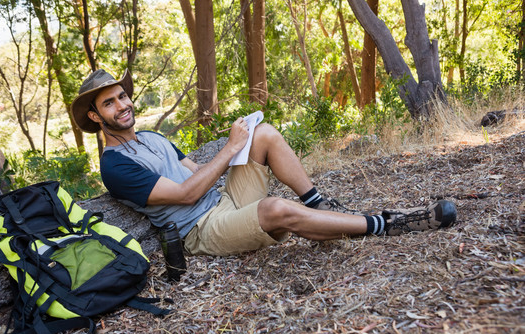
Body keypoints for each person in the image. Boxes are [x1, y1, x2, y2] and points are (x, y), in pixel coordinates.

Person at [70, 69, 457, 256]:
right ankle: (385, 224)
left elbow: (193, 172)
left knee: (266, 132)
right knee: (273, 208)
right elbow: (187, 195)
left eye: (122, 97)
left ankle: (317, 203)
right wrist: (229, 148)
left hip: (223, 202)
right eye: (109, 103)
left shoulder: (153, 138)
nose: (122, 106)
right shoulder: (115, 166)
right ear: (94, 116)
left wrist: (243, 148)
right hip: (201, 231)